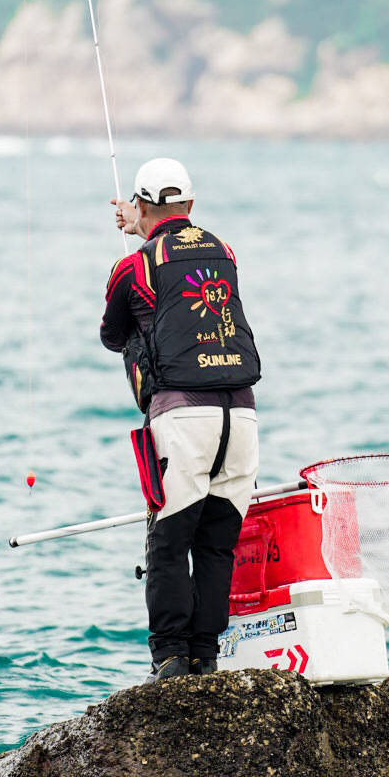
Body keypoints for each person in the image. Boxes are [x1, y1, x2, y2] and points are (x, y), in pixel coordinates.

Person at [100, 158, 261, 682]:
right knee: (216, 544)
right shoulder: (224, 251)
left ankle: (170, 662)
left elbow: (112, 333)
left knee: (169, 541)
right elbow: (176, 252)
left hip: (182, 419)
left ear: (142, 207)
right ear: (191, 205)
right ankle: (207, 658)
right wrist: (144, 224)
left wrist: (140, 231)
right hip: (241, 416)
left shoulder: (134, 267)